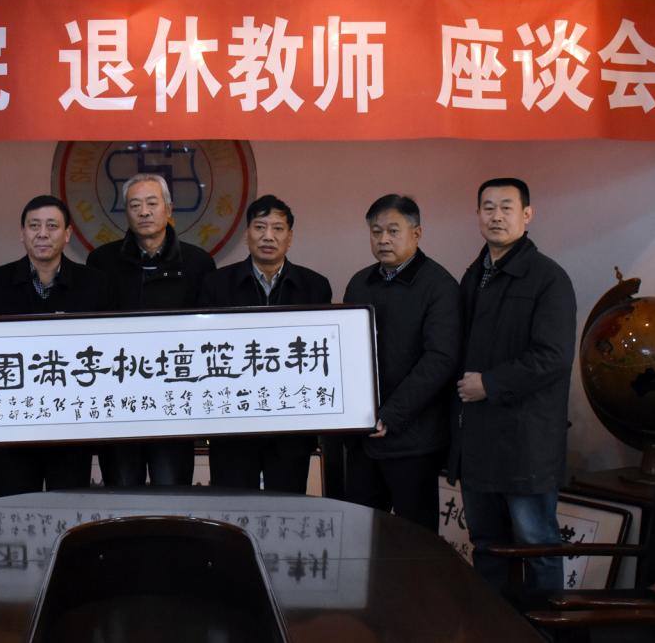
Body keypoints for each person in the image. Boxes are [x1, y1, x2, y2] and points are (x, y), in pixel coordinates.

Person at [448, 177, 576, 592]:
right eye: (488, 207)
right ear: (478, 215)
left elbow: (553, 357)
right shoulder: (474, 276)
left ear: (527, 214)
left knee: (537, 545)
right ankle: (496, 623)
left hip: (526, 444)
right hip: (478, 442)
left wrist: (490, 383)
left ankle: (543, 625)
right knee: (486, 545)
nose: (496, 216)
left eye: (507, 207)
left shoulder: (548, 278)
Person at [0, 195, 113, 497]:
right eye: (34, 225)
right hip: (14, 422)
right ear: (22, 233)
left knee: (69, 509)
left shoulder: (95, 284)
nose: (42, 234)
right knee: (11, 509)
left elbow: (108, 350)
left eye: (52, 226)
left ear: (67, 234)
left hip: (72, 422)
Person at [86, 173, 215, 486]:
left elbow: (208, 336)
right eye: (135, 205)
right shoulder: (101, 262)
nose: (144, 212)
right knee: (121, 492)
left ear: (168, 209)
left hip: (175, 401)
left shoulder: (198, 263)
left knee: (172, 494)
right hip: (118, 400)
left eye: (152, 203)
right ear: (126, 213)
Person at [199, 195, 331, 493]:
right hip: (233, 427)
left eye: (278, 228)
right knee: (232, 509)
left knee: (287, 510)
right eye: (260, 227)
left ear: (290, 237)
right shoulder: (216, 285)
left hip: (290, 426)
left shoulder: (315, 287)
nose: (268, 236)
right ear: (247, 233)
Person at [343, 194, 460, 531]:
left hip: (414, 440)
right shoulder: (359, 283)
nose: (383, 239)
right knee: (360, 535)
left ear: (417, 233)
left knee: (414, 540)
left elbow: (441, 359)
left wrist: (391, 415)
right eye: (376, 231)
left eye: (393, 231)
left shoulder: (439, 286)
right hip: (362, 438)